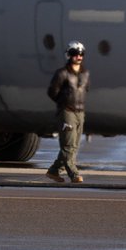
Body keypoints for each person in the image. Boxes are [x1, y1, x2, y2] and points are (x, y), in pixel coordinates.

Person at [47, 40, 90, 183]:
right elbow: (52, 92)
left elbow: (85, 90)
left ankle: (54, 171)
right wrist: (63, 104)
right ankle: (74, 174)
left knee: (74, 146)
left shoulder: (85, 74)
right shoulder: (62, 74)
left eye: (81, 54)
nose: (79, 57)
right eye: (75, 53)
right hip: (67, 112)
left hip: (80, 113)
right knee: (68, 145)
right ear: (68, 55)